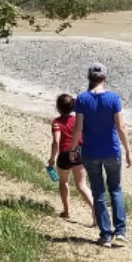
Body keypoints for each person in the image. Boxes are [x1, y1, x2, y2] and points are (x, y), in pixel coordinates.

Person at [71, 62, 132, 247]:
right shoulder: (114, 98)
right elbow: (121, 127)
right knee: (115, 189)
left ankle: (105, 234)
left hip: (91, 151)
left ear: (89, 78)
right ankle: (120, 231)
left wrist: (73, 149)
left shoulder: (82, 99)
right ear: (104, 78)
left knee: (98, 191)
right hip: (112, 150)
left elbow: (78, 128)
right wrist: (128, 150)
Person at [48, 93, 93, 221]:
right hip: (79, 152)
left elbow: (56, 141)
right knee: (82, 185)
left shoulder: (56, 122)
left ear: (58, 107)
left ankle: (67, 211)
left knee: (64, 182)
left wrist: (52, 158)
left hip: (64, 155)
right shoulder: (78, 120)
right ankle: (95, 211)